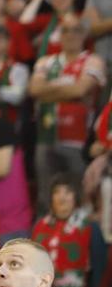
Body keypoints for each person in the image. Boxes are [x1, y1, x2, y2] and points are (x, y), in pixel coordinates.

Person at [29, 13, 106, 208]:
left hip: (78, 139)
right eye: (65, 30)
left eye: (76, 30)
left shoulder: (93, 60)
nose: (70, 35)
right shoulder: (45, 61)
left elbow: (82, 89)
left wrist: (49, 90)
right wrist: (70, 92)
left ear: (84, 34)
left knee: (80, 194)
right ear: (59, 35)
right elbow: (34, 90)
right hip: (46, 137)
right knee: (46, 196)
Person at [31, 178, 104, 287]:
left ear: (76, 197)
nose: (62, 197)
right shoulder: (40, 227)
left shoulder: (90, 226)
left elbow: (99, 267)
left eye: (68, 192)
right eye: (57, 192)